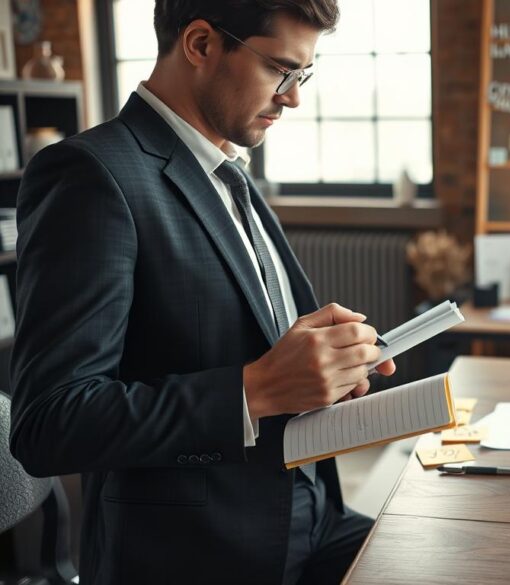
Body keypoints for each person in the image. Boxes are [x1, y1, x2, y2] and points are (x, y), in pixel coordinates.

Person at [8, 2, 394, 583]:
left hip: (311, 521)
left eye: (302, 75)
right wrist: (255, 389)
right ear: (200, 44)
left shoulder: (229, 169)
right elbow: (49, 425)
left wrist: (322, 372)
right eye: (280, 70)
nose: (292, 97)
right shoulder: (90, 176)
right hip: (202, 555)